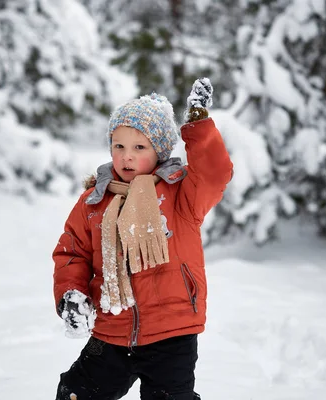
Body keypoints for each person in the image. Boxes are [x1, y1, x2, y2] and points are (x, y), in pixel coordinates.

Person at [52, 78, 233, 400]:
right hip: (112, 328)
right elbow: (72, 253)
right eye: (118, 146)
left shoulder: (182, 194)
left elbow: (215, 173)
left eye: (139, 147)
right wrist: (70, 293)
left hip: (172, 331)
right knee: (76, 392)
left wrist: (199, 125)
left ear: (159, 150)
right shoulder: (94, 201)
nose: (127, 157)